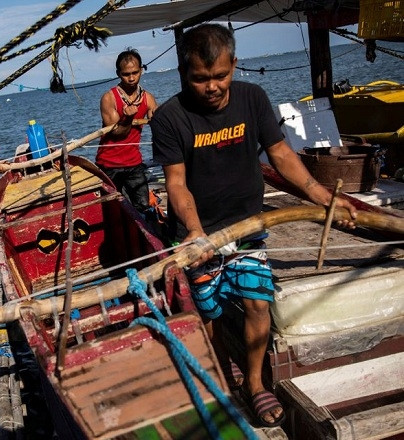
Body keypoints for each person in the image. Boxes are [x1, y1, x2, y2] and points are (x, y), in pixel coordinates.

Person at [150, 24, 357, 428]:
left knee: (257, 303)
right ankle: (221, 373)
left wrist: (323, 196)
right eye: (200, 78)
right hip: (201, 234)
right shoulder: (169, 117)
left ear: (234, 65)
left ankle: (256, 383)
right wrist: (194, 231)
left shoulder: (253, 98)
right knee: (207, 311)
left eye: (220, 76)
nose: (212, 86)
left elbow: (280, 154)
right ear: (183, 72)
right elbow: (175, 183)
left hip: (249, 225)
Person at [97, 48, 158, 215]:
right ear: (118, 73)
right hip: (109, 165)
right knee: (116, 211)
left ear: (141, 71)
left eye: (135, 72)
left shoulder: (148, 98)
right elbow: (117, 134)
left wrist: (157, 120)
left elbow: (161, 128)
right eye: (126, 74)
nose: (131, 78)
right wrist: (128, 119)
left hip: (134, 163)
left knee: (144, 207)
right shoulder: (109, 98)